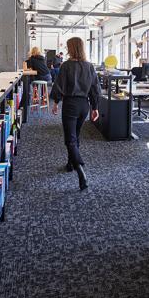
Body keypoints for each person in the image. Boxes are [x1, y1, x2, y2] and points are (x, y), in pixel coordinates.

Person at [50, 37, 100, 190]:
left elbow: (59, 85)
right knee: (75, 135)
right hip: (84, 105)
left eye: (67, 47)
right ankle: (70, 163)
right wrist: (95, 108)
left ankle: (80, 169)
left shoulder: (66, 66)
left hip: (70, 105)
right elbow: (95, 89)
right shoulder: (89, 66)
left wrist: (56, 103)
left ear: (71, 48)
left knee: (70, 139)